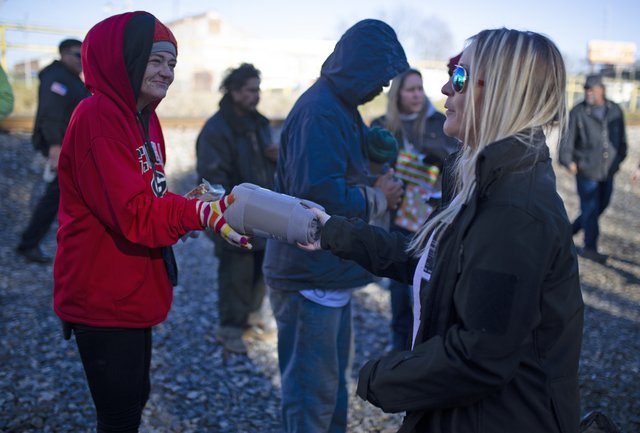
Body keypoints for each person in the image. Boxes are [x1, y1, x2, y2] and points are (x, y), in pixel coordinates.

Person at [300, 28, 584, 433]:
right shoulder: (482, 179)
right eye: (453, 71)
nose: (446, 86)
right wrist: (332, 232)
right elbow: (432, 262)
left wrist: (378, 377)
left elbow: (478, 357)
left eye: (462, 76)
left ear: (503, 90)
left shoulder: (515, 210)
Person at [53, 11, 248, 432]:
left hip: (132, 287)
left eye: (172, 63)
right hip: (102, 292)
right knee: (120, 414)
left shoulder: (145, 117)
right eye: (156, 60)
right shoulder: (98, 116)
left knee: (134, 400)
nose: (167, 72)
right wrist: (198, 214)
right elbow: (134, 214)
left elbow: (149, 196)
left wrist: (193, 203)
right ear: (126, 58)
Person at [262, 19, 408, 433]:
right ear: (358, 67)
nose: (381, 89)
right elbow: (318, 201)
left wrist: (373, 149)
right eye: (378, 78)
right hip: (308, 275)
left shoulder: (339, 105)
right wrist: (379, 196)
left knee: (331, 388)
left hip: (326, 274)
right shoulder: (321, 112)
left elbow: (343, 170)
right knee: (312, 394)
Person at [371, 67, 459, 352]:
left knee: (427, 288)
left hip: (431, 219)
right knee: (399, 286)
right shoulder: (383, 125)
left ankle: (422, 349)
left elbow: (456, 166)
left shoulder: (439, 122)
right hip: (396, 216)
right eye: (410, 89)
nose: (417, 94)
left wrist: (439, 161)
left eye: (420, 88)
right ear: (397, 94)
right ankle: (398, 348)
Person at [196, 63, 277, 354]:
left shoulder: (260, 124)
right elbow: (211, 176)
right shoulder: (217, 129)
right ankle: (230, 328)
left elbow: (267, 164)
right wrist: (228, 210)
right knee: (235, 272)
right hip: (232, 213)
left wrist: (275, 158)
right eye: (249, 90)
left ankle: (252, 321)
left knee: (260, 269)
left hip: (263, 211)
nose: (256, 96)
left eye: (258, 89)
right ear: (232, 90)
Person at [15, 39, 90, 263]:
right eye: (79, 55)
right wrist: (55, 148)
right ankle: (29, 244)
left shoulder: (69, 78)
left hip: (72, 149)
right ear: (65, 55)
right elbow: (51, 116)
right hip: (64, 149)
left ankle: (33, 242)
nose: (82, 61)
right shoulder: (57, 78)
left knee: (63, 197)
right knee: (54, 197)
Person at [559, 74, 627, 264]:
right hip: (586, 170)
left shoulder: (614, 110)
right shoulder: (578, 112)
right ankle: (590, 248)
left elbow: (621, 140)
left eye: (592, 88)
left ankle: (570, 231)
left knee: (601, 206)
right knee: (590, 208)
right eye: (586, 89)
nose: (588, 92)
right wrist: (568, 161)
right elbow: (567, 139)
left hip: (608, 170)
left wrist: (620, 158)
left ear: (601, 89)